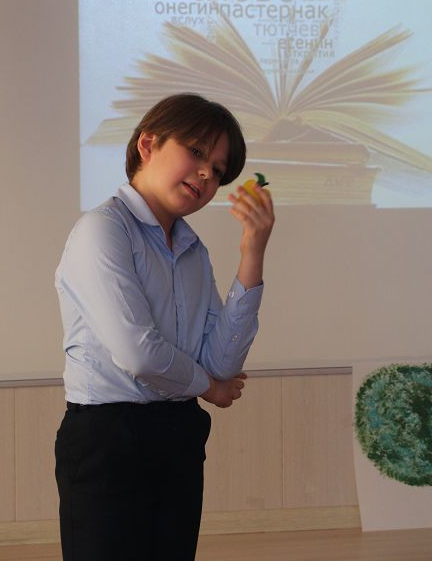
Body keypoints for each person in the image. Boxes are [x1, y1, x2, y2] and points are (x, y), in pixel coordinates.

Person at [54, 93, 275, 561]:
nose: (206, 174)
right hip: (108, 437)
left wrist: (252, 253)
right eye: (196, 152)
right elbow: (138, 353)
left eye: (218, 170)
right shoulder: (103, 229)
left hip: (179, 432)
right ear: (148, 144)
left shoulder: (193, 251)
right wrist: (209, 388)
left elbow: (221, 361)